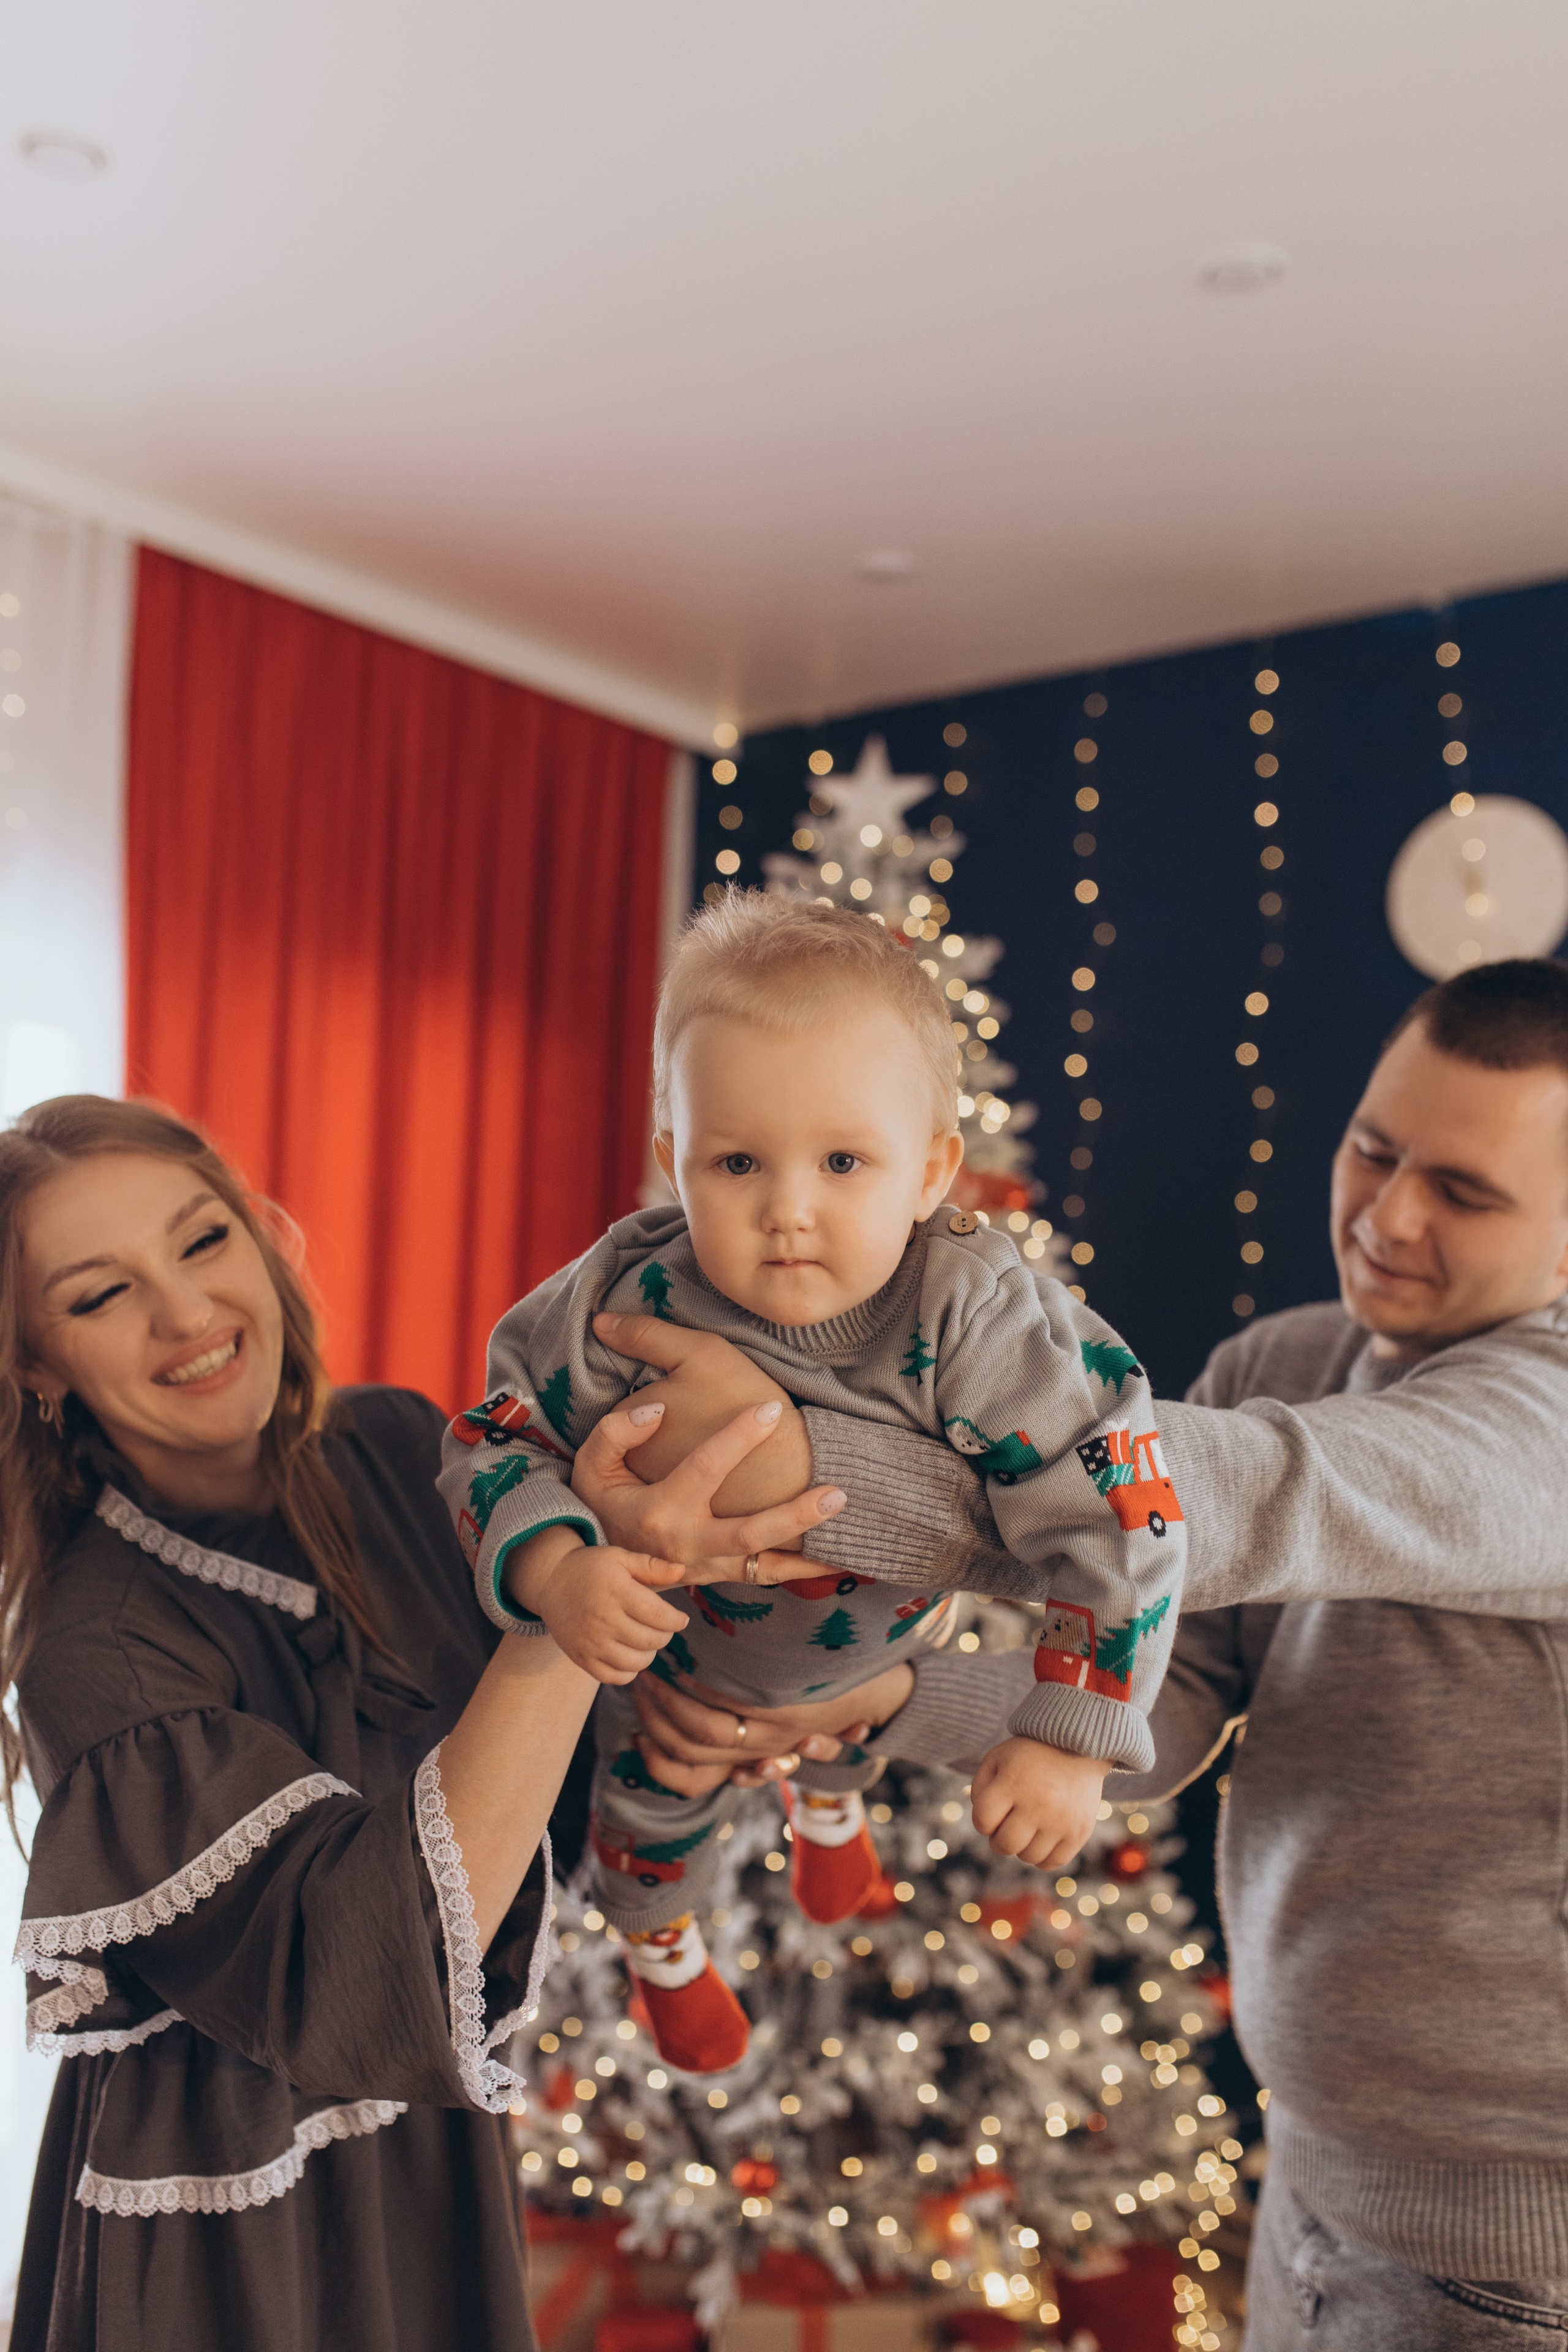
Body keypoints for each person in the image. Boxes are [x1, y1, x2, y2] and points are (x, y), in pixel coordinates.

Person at [587, 957, 1568, 2349]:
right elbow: (1157, 1713)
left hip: (1518, 2254)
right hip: (1313, 2188)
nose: (1389, 1214)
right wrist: (880, 1698)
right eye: (1372, 1149)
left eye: (1462, 1192)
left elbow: (1259, 1493)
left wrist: (799, 1463)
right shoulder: (1277, 1358)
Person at [438, 892, 1183, 2071]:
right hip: (675, 1669)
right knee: (647, 1811)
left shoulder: (976, 1312)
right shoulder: (614, 1301)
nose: (789, 1210)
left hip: (876, 1656)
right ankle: (663, 1945)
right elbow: (491, 1432)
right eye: (737, 1161)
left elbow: (1121, 1501)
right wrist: (556, 1563)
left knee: (850, 1712)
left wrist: (1075, 1733)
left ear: (936, 1167)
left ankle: (829, 1800)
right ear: (674, 1159)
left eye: (844, 1160)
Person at [1, 1097, 591, 2352]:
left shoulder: (394, 1449)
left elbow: (559, 1785)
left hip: (430, 2164)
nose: (187, 1316)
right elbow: (354, 1981)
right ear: (34, 1366)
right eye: (101, 1296)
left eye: (203, 1243)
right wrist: (580, 1619)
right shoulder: (97, 1656)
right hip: (232, 2248)